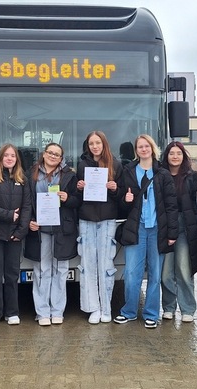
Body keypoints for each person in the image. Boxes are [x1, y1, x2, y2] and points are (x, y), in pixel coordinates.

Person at [114, 134, 178, 329]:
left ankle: (151, 313)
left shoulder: (163, 173)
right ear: (136, 150)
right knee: (132, 273)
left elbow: (171, 205)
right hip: (137, 228)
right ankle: (129, 311)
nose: (143, 149)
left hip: (158, 229)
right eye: (140, 147)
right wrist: (125, 199)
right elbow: (122, 204)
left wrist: (172, 234)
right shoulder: (128, 171)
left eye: (146, 146)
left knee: (155, 273)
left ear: (152, 148)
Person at [26, 142, 80, 326]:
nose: (52, 156)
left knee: (61, 270)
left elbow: (78, 201)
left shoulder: (69, 176)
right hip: (40, 229)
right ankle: (42, 312)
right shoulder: (30, 174)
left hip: (62, 229)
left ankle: (57, 311)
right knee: (42, 270)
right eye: (50, 152)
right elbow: (26, 201)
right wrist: (28, 221)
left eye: (57, 154)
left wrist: (68, 198)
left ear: (61, 158)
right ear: (44, 153)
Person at [0, 143, 32, 326]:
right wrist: (9, 215)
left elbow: (26, 207)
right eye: (6, 155)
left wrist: (21, 231)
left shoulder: (22, 180)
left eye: (13, 156)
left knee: (12, 275)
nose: (9, 158)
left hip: (14, 236)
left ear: (17, 159)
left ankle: (12, 312)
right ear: (0, 158)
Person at [76, 131, 123, 324]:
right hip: (86, 219)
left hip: (107, 220)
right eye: (91, 143)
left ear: (104, 144)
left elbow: (122, 199)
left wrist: (115, 189)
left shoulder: (116, 165)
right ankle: (92, 308)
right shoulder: (82, 165)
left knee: (106, 266)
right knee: (88, 265)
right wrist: (79, 188)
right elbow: (77, 197)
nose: (95, 146)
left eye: (98, 143)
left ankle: (106, 308)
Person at [159, 141, 197, 322]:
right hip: (165, 225)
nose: (175, 156)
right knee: (166, 272)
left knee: (183, 269)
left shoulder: (192, 177)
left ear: (183, 156)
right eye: (171, 153)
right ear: (166, 156)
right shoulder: (159, 175)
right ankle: (168, 307)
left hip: (184, 225)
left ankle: (188, 309)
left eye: (179, 153)